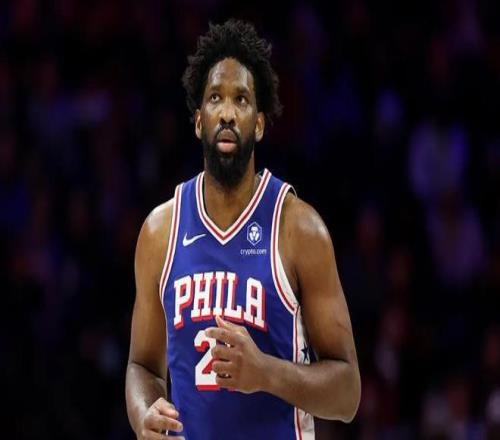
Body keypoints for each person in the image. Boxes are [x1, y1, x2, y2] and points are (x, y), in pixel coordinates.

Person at [125, 19, 361, 440]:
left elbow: (347, 395)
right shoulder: (160, 231)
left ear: (260, 123)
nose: (228, 113)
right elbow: (142, 366)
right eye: (215, 98)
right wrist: (144, 413)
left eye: (242, 99)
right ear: (199, 121)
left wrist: (265, 372)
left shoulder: (298, 228)